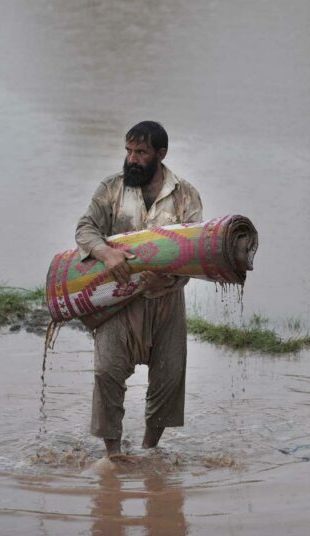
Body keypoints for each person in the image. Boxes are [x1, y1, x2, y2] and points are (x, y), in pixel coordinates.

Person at [75, 121, 203, 457]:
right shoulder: (111, 188)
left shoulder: (186, 195)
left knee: (170, 378)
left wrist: (170, 280)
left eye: (141, 152)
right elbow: (86, 229)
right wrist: (106, 253)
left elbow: (193, 253)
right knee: (106, 372)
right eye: (129, 151)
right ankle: (113, 455)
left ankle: (148, 451)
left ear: (160, 154)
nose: (132, 159)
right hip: (118, 298)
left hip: (167, 301)